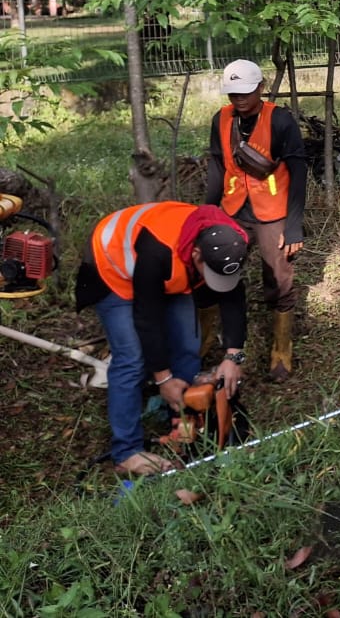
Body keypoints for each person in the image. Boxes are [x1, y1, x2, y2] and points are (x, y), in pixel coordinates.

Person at [75, 202, 249, 475]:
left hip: (166, 268)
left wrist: (233, 356)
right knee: (131, 358)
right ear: (196, 254)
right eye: (209, 273)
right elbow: (147, 318)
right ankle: (127, 452)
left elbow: (233, 297)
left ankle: (183, 424)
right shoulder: (158, 252)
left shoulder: (230, 242)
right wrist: (163, 379)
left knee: (188, 347)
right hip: (111, 268)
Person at [205, 59, 307, 381]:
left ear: (261, 88)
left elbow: (299, 171)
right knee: (214, 267)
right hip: (232, 208)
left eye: (246, 92)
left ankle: (281, 348)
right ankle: (204, 338)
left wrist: (292, 226)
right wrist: (207, 213)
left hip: (271, 209)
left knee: (279, 275)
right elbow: (217, 166)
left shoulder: (280, 120)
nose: (239, 100)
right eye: (233, 93)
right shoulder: (220, 120)